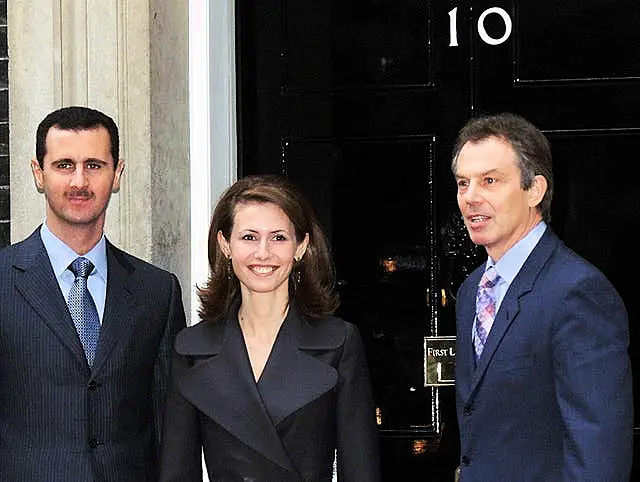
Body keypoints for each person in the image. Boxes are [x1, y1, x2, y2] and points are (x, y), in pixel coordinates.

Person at [0, 106, 187, 481]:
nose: (79, 181)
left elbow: (171, 428)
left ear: (117, 174)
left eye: (94, 165)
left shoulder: (157, 291)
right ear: (39, 173)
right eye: (64, 165)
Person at [159, 174, 380, 482]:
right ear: (225, 244)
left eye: (278, 237)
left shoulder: (339, 342)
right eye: (249, 237)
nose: (263, 253)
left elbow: (360, 470)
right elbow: (177, 472)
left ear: (301, 247)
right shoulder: (192, 347)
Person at [451, 112, 633, 481]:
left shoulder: (577, 291)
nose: (470, 197)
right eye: (462, 183)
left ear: (535, 190)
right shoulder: (472, 291)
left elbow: (598, 452)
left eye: (489, 180)